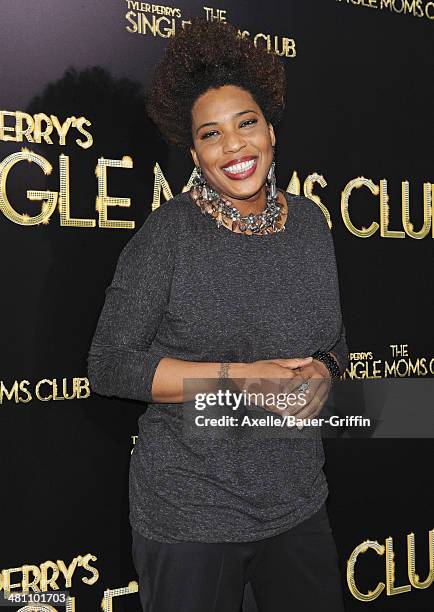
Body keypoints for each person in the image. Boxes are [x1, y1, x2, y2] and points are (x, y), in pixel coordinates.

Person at [87, 18, 349, 612]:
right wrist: (238, 380)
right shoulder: (169, 236)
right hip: (192, 519)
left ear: (272, 132)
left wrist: (327, 369)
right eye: (212, 134)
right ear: (195, 150)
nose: (234, 147)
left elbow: (335, 339)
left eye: (246, 123)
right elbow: (109, 365)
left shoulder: (310, 224)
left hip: (298, 503)